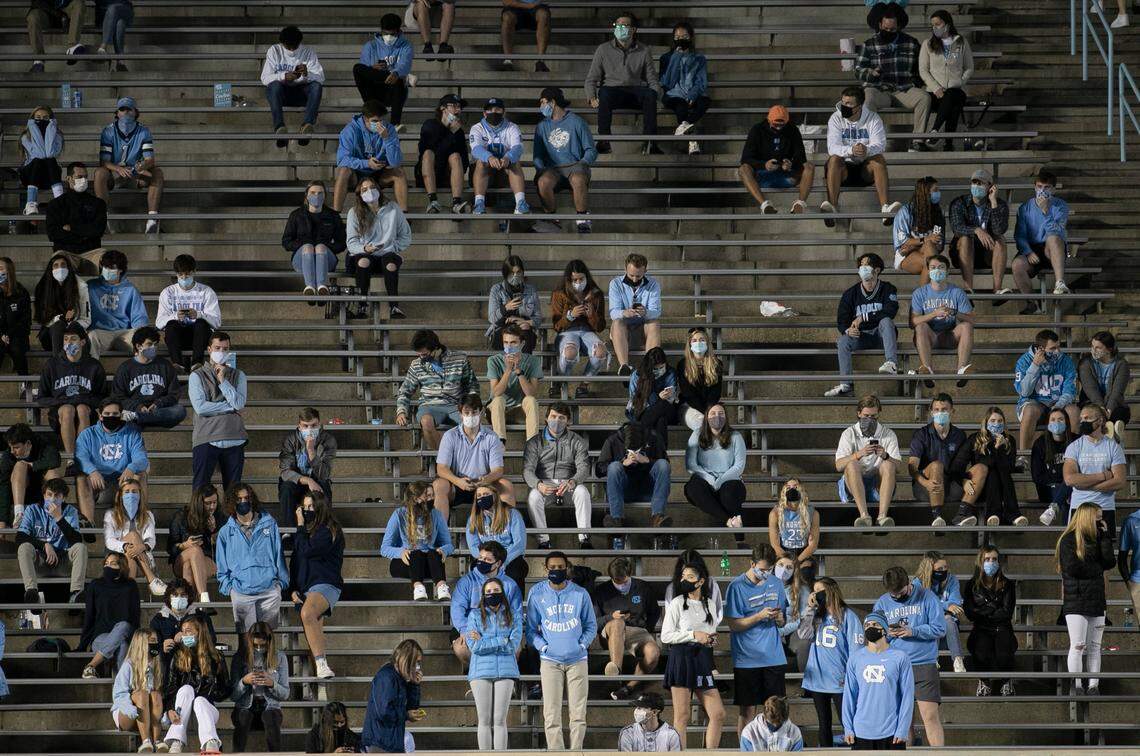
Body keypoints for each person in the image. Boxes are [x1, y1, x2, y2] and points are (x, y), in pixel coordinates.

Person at [527, 551, 597, 750]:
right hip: (550, 661)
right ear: (545, 568)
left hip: (577, 660)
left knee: (578, 713)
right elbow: (530, 630)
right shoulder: (537, 593)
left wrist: (581, 645)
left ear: (567, 568)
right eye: (553, 567)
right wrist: (544, 646)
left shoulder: (580, 593)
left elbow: (591, 625)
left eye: (560, 567)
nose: (556, 570)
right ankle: (556, 753)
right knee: (551, 714)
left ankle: (576, 752)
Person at [872, 565, 945, 746]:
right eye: (893, 594)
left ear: (909, 583)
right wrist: (887, 633)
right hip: (896, 665)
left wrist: (913, 631)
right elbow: (874, 633)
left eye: (900, 592)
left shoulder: (927, 597)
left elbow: (940, 628)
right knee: (904, 723)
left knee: (930, 717)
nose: (896, 597)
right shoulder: (882, 602)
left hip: (924, 664)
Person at [725, 544, 789, 735]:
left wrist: (779, 619)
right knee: (747, 711)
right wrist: (759, 616)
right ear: (751, 564)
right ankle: (747, 749)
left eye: (769, 570)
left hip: (774, 656)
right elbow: (734, 625)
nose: (766, 573)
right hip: (747, 659)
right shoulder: (736, 587)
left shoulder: (776, 583)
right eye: (762, 570)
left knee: (776, 710)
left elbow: (783, 619)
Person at [661, 558, 724, 749]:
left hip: (702, 659)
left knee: (718, 713)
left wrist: (710, 638)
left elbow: (710, 631)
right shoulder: (677, 603)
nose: (685, 580)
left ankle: (710, 752)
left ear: (701, 581)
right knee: (682, 715)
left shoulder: (710, 604)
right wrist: (693, 635)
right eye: (683, 576)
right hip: (682, 657)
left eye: (690, 577)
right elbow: (666, 635)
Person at [1056, 502, 1116, 695]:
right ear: (1085, 518)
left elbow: (1109, 562)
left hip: (1097, 598)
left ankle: (1093, 685)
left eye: (1101, 519)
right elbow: (1073, 568)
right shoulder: (1068, 540)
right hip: (1076, 599)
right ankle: (1077, 684)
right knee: (1078, 644)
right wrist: (1097, 569)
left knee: (1095, 646)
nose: (1100, 522)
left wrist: (1106, 537)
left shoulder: (1099, 537)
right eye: (1097, 518)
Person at [215, 483, 289, 632]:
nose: (243, 502)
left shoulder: (270, 523)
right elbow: (222, 568)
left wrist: (281, 584)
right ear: (232, 502)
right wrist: (230, 589)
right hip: (241, 593)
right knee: (245, 642)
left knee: (267, 639)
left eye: (246, 498)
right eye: (239, 499)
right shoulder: (225, 532)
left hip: (269, 591)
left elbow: (278, 556)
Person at [798, 577, 862, 747]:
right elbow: (803, 635)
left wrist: (851, 677)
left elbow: (856, 651)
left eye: (819, 590)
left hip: (840, 679)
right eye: (814, 590)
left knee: (848, 723)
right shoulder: (817, 615)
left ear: (830, 591)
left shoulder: (848, 616)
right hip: (818, 679)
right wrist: (809, 609)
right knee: (823, 723)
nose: (815, 594)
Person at [586, 12, 662, 155]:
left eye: (625, 25)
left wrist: (656, 95)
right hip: (612, 91)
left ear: (633, 29)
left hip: (635, 90)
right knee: (605, 92)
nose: (621, 28)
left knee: (650, 94)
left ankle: (651, 142)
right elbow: (592, 78)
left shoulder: (644, 50)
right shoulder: (603, 49)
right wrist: (591, 96)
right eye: (618, 25)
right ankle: (604, 141)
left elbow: (652, 79)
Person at [824, 253, 900, 397]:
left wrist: (863, 317)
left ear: (877, 270)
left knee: (886, 321)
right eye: (861, 265)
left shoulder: (888, 288)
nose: (863, 268)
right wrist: (847, 330)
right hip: (862, 336)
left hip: (882, 335)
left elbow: (890, 311)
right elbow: (842, 320)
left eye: (867, 265)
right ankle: (846, 384)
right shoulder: (850, 293)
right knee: (843, 341)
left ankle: (891, 363)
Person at [290, 490, 345, 680]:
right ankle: (322, 676)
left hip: (326, 584)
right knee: (313, 630)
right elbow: (296, 562)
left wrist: (299, 526)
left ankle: (321, 663)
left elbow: (306, 551)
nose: (307, 511)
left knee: (307, 613)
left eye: (311, 507)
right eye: (304, 507)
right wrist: (293, 590)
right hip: (306, 587)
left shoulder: (328, 530)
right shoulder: (305, 532)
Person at [434, 393, 514, 522]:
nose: (470, 416)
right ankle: (441, 533)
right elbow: (441, 468)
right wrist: (458, 481)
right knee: (439, 485)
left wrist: (486, 479)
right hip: (457, 485)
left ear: (481, 412)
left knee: (506, 485)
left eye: (474, 412)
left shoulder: (492, 437)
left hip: (484, 485)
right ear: (460, 414)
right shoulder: (450, 436)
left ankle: (507, 529)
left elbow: (498, 470)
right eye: (466, 412)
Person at [841, 611, 914, 750]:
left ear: (885, 629)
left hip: (891, 733)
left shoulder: (900, 657)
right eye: (867, 625)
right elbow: (849, 696)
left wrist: (902, 729)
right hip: (861, 732)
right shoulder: (855, 658)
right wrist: (848, 728)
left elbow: (907, 697)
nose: (870, 627)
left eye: (875, 624)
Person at [855, 3, 929, 140]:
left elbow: (922, 68)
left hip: (904, 89)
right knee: (868, 97)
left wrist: (916, 82)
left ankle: (918, 140)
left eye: (892, 29)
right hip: (879, 89)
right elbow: (858, 70)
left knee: (924, 97)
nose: (888, 31)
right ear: (879, 25)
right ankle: (867, 140)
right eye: (885, 28)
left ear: (899, 27)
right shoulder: (869, 44)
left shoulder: (911, 43)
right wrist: (871, 73)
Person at [823, 87, 895, 226]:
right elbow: (832, 148)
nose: (844, 106)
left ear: (859, 106)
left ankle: (885, 210)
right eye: (843, 102)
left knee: (879, 158)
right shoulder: (835, 118)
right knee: (834, 159)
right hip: (842, 170)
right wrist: (851, 150)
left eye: (849, 104)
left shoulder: (873, 118)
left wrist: (866, 150)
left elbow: (880, 145)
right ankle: (832, 208)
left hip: (864, 169)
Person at [38, 323, 103, 477]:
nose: (68, 343)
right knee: (68, 409)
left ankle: (82, 458)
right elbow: (42, 398)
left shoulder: (94, 366)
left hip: (86, 415)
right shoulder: (52, 365)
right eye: (66, 339)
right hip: (60, 415)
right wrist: (63, 401)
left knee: (81, 408)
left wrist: (83, 400)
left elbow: (102, 398)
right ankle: (70, 461)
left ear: (82, 342)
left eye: (73, 339)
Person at [396, 329, 478, 450]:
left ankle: (466, 460)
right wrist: (401, 411)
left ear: (435, 348)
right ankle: (443, 460)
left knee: (471, 423)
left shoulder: (460, 359)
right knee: (426, 422)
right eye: (418, 354)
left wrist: (470, 406)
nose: (421, 357)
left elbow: (472, 385)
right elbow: (405, 390)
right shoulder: (416, 365)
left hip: (456, 405)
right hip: (429, 406)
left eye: (424, 354)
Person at [525, 402, 593, 549]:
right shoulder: (534, 442)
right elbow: (527, 470)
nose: (557, 420)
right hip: (544, 483)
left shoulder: (577, 441)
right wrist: (538, 485)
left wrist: (572, 482)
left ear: (568, 421)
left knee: (583, 493)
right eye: (553, 416)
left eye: (561, 418)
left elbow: (584, 467)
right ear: (546, 418)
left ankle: (585, 538)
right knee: (533, 497)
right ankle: (543, 541)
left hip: (568, 483)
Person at [466, 575, 523, 750]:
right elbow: (474, 646)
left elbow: (513, 645)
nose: (492, 594)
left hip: (506, 670)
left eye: (496, 591)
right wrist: (502, 640)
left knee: (500, 720)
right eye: (488, 591)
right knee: (483, 720)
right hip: (480, 672)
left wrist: (485, 640)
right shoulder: (475, 615)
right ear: (483, 595)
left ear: (503, 593)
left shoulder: (513, 615)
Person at [594, 556, 662, 701]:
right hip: (610, 631)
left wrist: (646, 627)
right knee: (618, 623)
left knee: (653, 653)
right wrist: (611, 617)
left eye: (624, 581)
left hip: (637, 631)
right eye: (616, 581)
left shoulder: (643, 587)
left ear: (630, 574)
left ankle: (628, 687)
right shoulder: (601, 591)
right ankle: (616, 673)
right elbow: (594, 623)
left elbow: (655, 611)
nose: (621, 585)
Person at [533, 87, 598, 233]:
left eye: (543, 102)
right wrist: (541, 170)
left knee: (578, 179)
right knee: (543, 181)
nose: (541, 107)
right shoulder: (542, 126)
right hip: (553, 170)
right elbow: (537, 155)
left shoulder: (577, 121)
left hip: (575, 167)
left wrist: (582, 163)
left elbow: (591, 150)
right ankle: (551, 219)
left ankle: (583, 219)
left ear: (553, 102)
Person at [95, 97, 163, 236]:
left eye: (129, 109)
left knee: (157, 173)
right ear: (117, 113)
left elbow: (150, 159)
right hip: (114, 175)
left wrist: (142, 165)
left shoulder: (143, 131)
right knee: (100, 173)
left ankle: (152, 220)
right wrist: (118, 169)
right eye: (122, 109)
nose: (125, 112)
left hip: (136, 175)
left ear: (135, 112)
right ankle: (102, 219)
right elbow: (104, 161)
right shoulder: (108, 131)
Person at [346, 177, 412, 320]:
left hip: (387, 253)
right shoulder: (354, 212)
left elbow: (406, 235)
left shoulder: (393, 208)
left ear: (378, 189)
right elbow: (351, 243)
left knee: (390, 263)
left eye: (372, 187)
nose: (369, 191)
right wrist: (364, 248)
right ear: (360, 194)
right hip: (363, 255)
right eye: (364, 189)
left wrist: (393, 246)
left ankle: (394, 307)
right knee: (364, 261)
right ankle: (362, 306)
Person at [189, 332, 247, 490]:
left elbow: (240, 404)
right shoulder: (197, 376)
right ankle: (199, 515)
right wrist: (229, 407)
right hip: (207, 436)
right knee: (201, 488)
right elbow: (201, 408)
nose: (221, 352)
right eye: (217, 348)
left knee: (234, 491)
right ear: (209, 349)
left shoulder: (238, 375)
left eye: (225, 348)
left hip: (234, 437)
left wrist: (223, 381)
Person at [162, 615, 228, 753]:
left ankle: (210, 742)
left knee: (199, 701)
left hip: (207, 710)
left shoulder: (216, 656)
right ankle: (176, 741)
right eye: (182, 631)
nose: (184, 635)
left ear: (200, 632)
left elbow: (225, 689)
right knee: (186, 689)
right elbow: (171, 687)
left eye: (189, 631)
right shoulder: (178, 655)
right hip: (181, 710)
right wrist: (169, 709)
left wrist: (209, 693)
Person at [951, 406, 1027, 527]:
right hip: (980, 488)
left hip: (1003, 486)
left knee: (1001, 471)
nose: (996, 424)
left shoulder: (1009, 440)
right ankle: (1011, 514)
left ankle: (999, 514)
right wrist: (964, 480)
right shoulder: (975, 439)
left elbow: (1008, 466)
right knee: (990, 471)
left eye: (1000, 421)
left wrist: (1000, 448)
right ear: (986, 422)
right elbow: (957, 466)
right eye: (993, 421)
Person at [16, 478, 87, 607]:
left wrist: (59, 517)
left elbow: (76, 540)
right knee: (24, 547)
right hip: (40, 561)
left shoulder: (70, 511)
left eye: (57, 495)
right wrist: (45, 545)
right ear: (44, 495)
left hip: (63, 561)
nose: (53, 499)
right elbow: (20, 537)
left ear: (63, 498)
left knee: (80, 548)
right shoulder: (32, 510)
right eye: (49, 494)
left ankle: (76, 593)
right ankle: (32, 592)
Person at [599, 420, 672, 544]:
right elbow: (599, 470)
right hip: (623, 489)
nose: (634, 454)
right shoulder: (612, 440)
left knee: (663, 465)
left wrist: (647, 460)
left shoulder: (654, 438)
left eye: (637, 450)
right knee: (614, 466)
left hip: (649, 488)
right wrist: (623, 462)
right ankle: (616, 519)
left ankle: (658, 517)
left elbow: (667, 466)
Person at [451, 540, 523, 665]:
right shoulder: (466, 581)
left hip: (502, 629)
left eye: (487, 560)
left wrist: (508, 634)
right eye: (480, 557)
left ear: (498, 563)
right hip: (472, 628)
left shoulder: (510, 585)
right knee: (461, 649)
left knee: (516, 648)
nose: (482, 562)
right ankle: (474, 673)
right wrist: (464, 631)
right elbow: (457, 609)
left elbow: (516, 613)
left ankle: (508, 677)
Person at [834, 394, 900, 527]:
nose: (870, 419)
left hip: (878, 485)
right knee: (851, 464)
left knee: (888, 465)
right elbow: (839, 465)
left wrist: (885, 455)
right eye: (866, 416)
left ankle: (882, 517)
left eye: (873, 416)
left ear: (878, 414)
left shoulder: (888, 434)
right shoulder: (849, 433)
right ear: (859, 414)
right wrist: (859, 454)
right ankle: (864, 516)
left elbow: (898, 467)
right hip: (853, 485)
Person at [381, 481, 454, 601]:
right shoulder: (399, 515)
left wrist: (443, 550)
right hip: (406, 562)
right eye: (427, 496)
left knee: (433, 553)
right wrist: (401, 552)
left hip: (429, 564)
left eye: (432, 495)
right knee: (416, 553)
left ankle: (442, 587)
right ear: (415, 498)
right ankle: (418, 588)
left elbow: (449, 545)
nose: (431, 499)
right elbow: (384, 548)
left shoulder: (436, 515)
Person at [910, 254, 975, 385]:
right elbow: (913, 322)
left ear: (947, 271)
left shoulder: (957, 292)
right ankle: (927, 370)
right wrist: (934, 313)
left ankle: (961, 370)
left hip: (951, 336)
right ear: (928, 271)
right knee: (920, 326)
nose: (937, 270)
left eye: (941, 267)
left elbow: (972, 319)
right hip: (930, 337)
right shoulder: (919, 293)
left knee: (966, 326)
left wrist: (954, 312)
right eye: (933, 267)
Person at [334, 100, 408, 213]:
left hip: (379, 174)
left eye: (381, 121)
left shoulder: (389, 130)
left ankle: (404, 215)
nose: (379, 125)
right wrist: (366, 163)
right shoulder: (350, 130)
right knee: (343, 170)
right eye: (374, 121)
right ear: (365, 119)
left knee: (399, 172)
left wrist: (387, 139)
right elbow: (342, 160)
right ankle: (336, 214)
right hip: (357, 174)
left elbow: (395, 162)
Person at [963, 544, 1017, 696]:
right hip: (981, 628)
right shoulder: (971, 585)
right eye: (987, 559)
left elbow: (1007, 612)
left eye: (994, 559)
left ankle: (1006, 681)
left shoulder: (1007, 585)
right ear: (981, 561)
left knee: (1004, 652)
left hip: (1002, 627)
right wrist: (993, 607)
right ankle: (984, 681)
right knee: (980, 650)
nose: (991, 562)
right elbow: (970, 613)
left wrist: (983, 610)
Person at [738, 104, 813, 214]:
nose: (778, 128)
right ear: (769, 120)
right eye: (775, 125)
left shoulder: (793, 130)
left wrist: (791, 163)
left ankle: (800, 203)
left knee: (809, 166)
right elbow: (746, 158)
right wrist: (764, 165)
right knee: (743, 169)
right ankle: (764, 204)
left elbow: (801, 156)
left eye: (781, 125)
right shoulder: (757, 130)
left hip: (786, 173)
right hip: (762, 173)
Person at [1063, 404, 1126, 534]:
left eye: (1087, 418)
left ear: (1100, 421)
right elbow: (1069, 479)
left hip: (1104, 508)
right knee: (1078, 551)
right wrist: (1103, 476)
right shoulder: (1074, 447)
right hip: (1079, 508)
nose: (1083, 422)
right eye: (1081, 419)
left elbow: (1120, 481)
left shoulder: (1113, 447)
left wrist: (1086, 486)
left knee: (1105, 552)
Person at [76, 398, 149, 510]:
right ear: (100, 416)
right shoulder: (87, 434)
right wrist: (92, 471)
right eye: (107, 414)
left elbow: (142, 459)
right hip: (98, 478)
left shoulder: (132, 434)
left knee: (140, 474)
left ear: (121, 415)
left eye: (115, 414)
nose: (111, 417)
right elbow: (81, 457)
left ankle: (140, 518)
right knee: (82, 478)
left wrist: (131, 468)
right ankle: (88, 520)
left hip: (123, 477)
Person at [550, 259, 608, 398]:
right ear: (568, 280)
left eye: (581, 279)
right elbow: (557, 325)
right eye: (574, 280)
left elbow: (600, 327)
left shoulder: (596, 293)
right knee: (569, 352)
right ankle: (560, 382)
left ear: (586, 277)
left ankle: (584, 385)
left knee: (600, 351)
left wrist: (591, 315)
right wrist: (570, 316)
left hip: (588, 331)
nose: (578, 282)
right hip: (567, 331)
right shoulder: (559, 293)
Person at [1014, 328, 1079, 453]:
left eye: (1058, 347)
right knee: (1030, 410)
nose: (1058, 351)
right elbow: (1024, 392)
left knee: (1074, 411)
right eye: (1053, 349)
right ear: (1040, 349)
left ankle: (1073, 455)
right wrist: (1035, 366)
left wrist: (1058, 406)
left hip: (1059, 403)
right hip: (1035, 403)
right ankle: (1024, 455)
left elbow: (1069, 391)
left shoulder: (1066, 361)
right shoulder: (1024, 361)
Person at [683, 407, 745, 535]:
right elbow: (691, 465)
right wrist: (711, 479)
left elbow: (739, 466)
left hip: (729, 481)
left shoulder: (736, 436)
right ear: (706, 417)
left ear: (726, 417)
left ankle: (739, 537)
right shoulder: (696, 434)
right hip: (705, 483)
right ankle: (730, 521)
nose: (717, 416)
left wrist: (721, 480)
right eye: (713, 413)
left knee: (729, 493)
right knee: (694, 486)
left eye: (721, 413)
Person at [947, 168, 1009, 294]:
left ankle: (997, 289)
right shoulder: (959, 203)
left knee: (1000, 240)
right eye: (974, 182)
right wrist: (976, 230)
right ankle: (968, 288)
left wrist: (993, 202)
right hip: (962, 254)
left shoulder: (1000, 204)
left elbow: (999, 230)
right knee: (965, 238)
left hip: (987, 254)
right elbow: (957, 228)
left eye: (980, 183)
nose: (976, 186)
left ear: (990, 187)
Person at [909, 393, 966, 528]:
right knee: (936, 466)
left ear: (952, 411)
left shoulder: (960, 435)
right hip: (925, 486)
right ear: (931, 412)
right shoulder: (921, 434)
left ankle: (965, 514)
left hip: (951, 486)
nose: (940, 412)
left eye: (944, 409)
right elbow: (912, 466)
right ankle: (937, 516)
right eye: (937, 410)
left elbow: (962, 466)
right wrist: (926, 482)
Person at [230, 622, 289, 751]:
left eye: (262, 645)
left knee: (270, 718)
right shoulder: (240, 658)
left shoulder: (279, 657)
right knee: (243, 717)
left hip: (270, 705)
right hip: (245, 705)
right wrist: (244, 682)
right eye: (255, 645)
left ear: (269, 642)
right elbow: (233, 695)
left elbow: (285, 694)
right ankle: (237, 754)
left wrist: (272, 684)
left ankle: (276, 755)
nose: (258, 648)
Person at [262, 25, 324, 147]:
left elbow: (321, 78)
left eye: (294, 47)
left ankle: (307, 125)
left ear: (299, 43)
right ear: (282, 43)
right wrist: (283, 76)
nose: (291, 50)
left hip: (301, 94)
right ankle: (280, 127)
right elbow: (264, 78)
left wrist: (307, 74)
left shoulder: (308, 52)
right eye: (288, 47)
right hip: (281, 94)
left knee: (316, 86)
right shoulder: (274, 50)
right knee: (273, 86)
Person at [155, 254, 220, 372]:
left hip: (200, 337)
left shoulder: (206, 291)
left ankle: (197, 363)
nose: (184, 278)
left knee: (201, 323)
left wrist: (199, 315)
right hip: (177, 337)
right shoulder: (168, 292)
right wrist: (175, 316)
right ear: (176, 274)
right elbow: (159, 323)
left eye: (187, 274)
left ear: (194, 272)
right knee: (171, 325)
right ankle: (177, 364)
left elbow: (216, 322)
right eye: (180, 274)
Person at [79, 552, 140, 678]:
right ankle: (121, 691)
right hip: (101, 638)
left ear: (121, 566)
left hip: (126, 633)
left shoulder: (130, 585)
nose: (108, 567)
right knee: (121, 644)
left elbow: (135, 616)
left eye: (113, 564)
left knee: (123, 628)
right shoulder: (95, 585)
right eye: (106, 564)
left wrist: (136, 642)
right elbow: (89, 616)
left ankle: (91, 666)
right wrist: (82, 645)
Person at [918, 11, 973, 149]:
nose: (935, 28)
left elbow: (969, 67)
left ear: (947, 24)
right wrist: (936, 88)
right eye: (933, 25)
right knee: (954, 103)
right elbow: (923, 70)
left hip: (955, 90)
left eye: (938, 24)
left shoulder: (961, 42)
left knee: (954, 94)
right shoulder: (928, 44)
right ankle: (948, 143)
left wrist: (960, 82)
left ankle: (935, 130)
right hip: (935, 93)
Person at [112, 326, 186, 429]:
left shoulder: (165, 365)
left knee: (180, 410)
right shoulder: (125, 368)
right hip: (135, 411)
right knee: (125, 419)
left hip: (160, 412)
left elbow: (174, 394)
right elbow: (118, 397)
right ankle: (139, 417)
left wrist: (158, 404)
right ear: (138, 346)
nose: (154, 348)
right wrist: (138, 407)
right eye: (149, 344)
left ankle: (140, 417)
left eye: (155, 344)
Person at [1013, 170, 1071, 302]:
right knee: (1017, 265)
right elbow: (1020, 235)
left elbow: (1058, 231)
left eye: (1046, 187)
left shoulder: (1061, 206)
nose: (1042, 190)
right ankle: (1033, 304)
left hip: (1054, 249)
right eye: (1039, 187)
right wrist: (1027, 252)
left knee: (1053, 238)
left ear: (1053, 189)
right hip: (1033, 248)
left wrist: (1046, 212)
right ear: (1035, 187)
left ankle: (1060, 283)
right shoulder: (1025, 208)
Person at [103, 478, 166, 595]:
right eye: (127, 492)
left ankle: (128, 593)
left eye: (134, 492)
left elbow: (151, 540)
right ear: (120, 495)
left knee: (131, 554)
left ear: (140, 495)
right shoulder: (110, 514)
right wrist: (126, 545)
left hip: (139, 555)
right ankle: (152, 580)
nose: (130, 495)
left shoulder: (148, 515)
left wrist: (141, 547)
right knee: (132, 536)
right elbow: (109, 541)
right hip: (115, 555)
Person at [283, 181, 346, 298]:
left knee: (320, 247)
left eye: (320, 193)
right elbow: (286, 241)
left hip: (326, 259)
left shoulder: (333, 216)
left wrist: (326, 247)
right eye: (313, 192)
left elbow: (341, 243)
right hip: (302, 259)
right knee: (308, 247)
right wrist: (305, 246)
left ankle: (321, 286)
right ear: (307, 195)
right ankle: (310, 287)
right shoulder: (296, 215)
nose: (316, 196)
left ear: (325, 196)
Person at [469, 97, 530, 215]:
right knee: (480, 162)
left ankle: (520, 203)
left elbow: (518, 147)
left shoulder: (512, 127)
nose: (493, 112)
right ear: (484, 113)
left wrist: (508, 157)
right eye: (490, 110)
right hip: (484, 172)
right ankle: (479, 203)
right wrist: (489, 157)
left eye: (497, 109)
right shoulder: (477, 128)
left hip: (504, 172)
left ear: (504, 112)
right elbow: (476, 149)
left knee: (515, 161)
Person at [362, 639, 424, 753]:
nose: (418, 667)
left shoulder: (401, 677)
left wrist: (415, 685)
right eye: (416, 662)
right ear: (406, 660)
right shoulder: (387, 677)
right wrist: (406, 715)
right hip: (379, 741)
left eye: (419, 663)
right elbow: (384, 712)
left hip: (391, 740)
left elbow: (412, 707)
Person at [44, 164, 107, 273]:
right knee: (59, 262)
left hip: (92, 252)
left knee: (106, 260)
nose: (83, 180)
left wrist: (72, 228)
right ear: (69, 178)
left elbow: (98, 230)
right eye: (79, 177)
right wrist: (84, 236)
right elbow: (53, 234)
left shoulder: (98, 203)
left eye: (86, 177)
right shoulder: (55, 204)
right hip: (66, 253)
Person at [279, 407, 337, 524]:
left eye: (313, 425)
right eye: (305, 426)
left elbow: (324, 473)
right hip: (297, 483)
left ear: (319, 425)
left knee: (324, 487)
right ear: (299, 426)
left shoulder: (328, 440)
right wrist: (308, 480)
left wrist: (311, 452)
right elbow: (285, 471)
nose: (309, 429)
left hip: (318, 480)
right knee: (286, 488)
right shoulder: (291, 440)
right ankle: (288, 533)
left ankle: (324, 529)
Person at [353, 14, 413, 127]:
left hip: (394, 90)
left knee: (398, 77)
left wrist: (395, 73)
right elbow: (363, 70)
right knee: (357, 68)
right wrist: (372, 68)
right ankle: (372, 115)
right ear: (381, 31)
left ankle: (395, 124)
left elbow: (405, 64)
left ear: (399, 31)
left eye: (392, 34)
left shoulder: (406, 46)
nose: (389, 37)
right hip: (373, 90)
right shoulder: (370, 46)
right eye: (385, 33)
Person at [658, 22, 708, 156]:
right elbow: (667, 82)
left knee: (705, 102)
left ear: (691, 38)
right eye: (677, 36)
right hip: (673, 95)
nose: (680, 39)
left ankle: (682, 128)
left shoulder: (699, 58)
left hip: (692, 93)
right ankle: (692, 140)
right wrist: (676, 57)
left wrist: (692, 94)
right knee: (681, 105)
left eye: (684, 36)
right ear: (673, 38)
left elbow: (701, 81)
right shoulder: (666, 58)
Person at [86, 249, 147, 358]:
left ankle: (142, 372)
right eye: (105, 267)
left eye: (112, 268)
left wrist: (140, 333)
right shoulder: (90, 287)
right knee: (92, 336)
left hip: (124, 333)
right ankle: (91, 371)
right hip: (101, 333)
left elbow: (139, 317)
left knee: (143, 338)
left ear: (121, 270)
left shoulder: (130, 289)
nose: (108, 270)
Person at [110, 628, 164, 750]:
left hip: (148, 715)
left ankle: (157, 741)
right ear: (142, 644)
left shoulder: (157, 665)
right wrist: (131, 709)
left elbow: (158, 697)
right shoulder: (128, 665)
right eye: (152, 641)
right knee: (141, 694)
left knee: (155, 694)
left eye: (156, 640)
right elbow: (119, 695)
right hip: (128, 713)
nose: (155, 644)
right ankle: (146, 741)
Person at [912, 551, 965, 674]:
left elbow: (955, 603)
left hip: (948, 628)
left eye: (945, 567)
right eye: (939, 568)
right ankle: (932, 659)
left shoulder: (952, 580)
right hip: (927, 626)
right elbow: (923, 606)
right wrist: (946, 605)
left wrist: (942, 608)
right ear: (930, 569)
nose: (943, 571)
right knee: (937, 620)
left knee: (948, 620)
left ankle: (958, 660)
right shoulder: (917, 583)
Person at [1, 422, 61, 531]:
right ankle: (19, 514)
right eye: (10, 447)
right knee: (20, 465)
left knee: (53, 472)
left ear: (28, 443)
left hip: (41, 491)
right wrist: (2, 521)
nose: (12, 451)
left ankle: (54, 511)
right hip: (20, 495)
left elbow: (55, 460)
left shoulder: (42, 443)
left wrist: (32, 465)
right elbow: (3, 487)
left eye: (16, 447)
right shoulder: (8, 455)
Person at [150, 579, 217, 675]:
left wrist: (192, 639)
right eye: (175, 595)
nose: (179, 598)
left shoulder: (201, 617)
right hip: (168, 667)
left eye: (183, 595)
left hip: (195, 666)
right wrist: (162, 647)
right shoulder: (159, 619)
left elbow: (212, 640)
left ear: (189, 596)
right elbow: (151, 648)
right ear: (169, 597)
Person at [609, 253, 662, 375]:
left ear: (645, 271)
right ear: (625, 269)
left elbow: (656, 312)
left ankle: (649, 366)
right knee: (617, 322)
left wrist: (645, 312)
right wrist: (624, 313)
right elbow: (613, 312)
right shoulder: (615, 284)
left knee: (654, 323)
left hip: (644, 330)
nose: (634, 279)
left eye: (638, 276)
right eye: (631, 275)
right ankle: (624, 366)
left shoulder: (654, 284)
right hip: (623, 330)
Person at [417, 94, 470, 214]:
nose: (458, 110)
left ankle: (456, 203)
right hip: (428, 173)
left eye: (460, 107)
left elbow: (464, 161)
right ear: (443, 108)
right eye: (455, 106)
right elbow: (424, 150)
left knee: (455, 155)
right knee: (428, 153)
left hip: (448, 176)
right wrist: (447, 130)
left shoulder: (458, 131)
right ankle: (433, 201)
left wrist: (454, 133)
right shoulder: (430, 124)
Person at [488, 325, 543, 442]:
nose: (509, 346)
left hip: (520, 410)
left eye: (513, 342)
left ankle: (533, 444)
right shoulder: (493, 360)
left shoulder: (533, 361)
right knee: (498, 400)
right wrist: (508, 370)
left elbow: (531, 393)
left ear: (522, 344)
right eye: (505, 342)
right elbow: (496, 393)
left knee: (531, 401)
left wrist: (518, 371)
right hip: (498, 410)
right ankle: (500, 442)